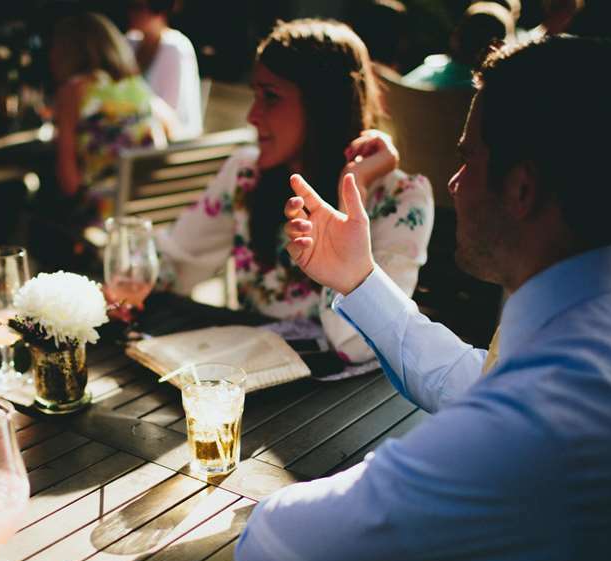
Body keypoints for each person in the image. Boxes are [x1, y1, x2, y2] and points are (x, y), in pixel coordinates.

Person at [234, 36, 611, 561]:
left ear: (521, 188)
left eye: (467, 160)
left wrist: (286, 496)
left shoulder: (543, 421)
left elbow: (278, 553)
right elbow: (477, 385)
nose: (454, 183)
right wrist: (361, 279)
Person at [156, 19, 433, 365]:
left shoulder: (402, 199)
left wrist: (352, 192)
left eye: (270, 97)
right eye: (255, 95)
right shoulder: (246, 174)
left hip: (355, 406)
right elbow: (176, 262)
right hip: (255, 383)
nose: (252, 115)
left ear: (323, 105)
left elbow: (357, 344)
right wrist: (121, 280)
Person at [36, 11, 165, 269]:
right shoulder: (137, 86)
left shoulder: (74, 90)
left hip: (102, 221)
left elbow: (69, 184)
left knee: (34, 215)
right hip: (145, 210)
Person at [125, 0, 203, 140]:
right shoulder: (130, 41)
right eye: (130, 6)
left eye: (138, 8)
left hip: (175, 142)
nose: (131, 13)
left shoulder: (175, 47)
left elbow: (171, 114)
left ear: (159, 8)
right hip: (142, 133)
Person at [404, 2, 514, 90]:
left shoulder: (431, 71)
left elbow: (398, 92)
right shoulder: (492, 92)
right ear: (500, 46)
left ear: (457, 35)